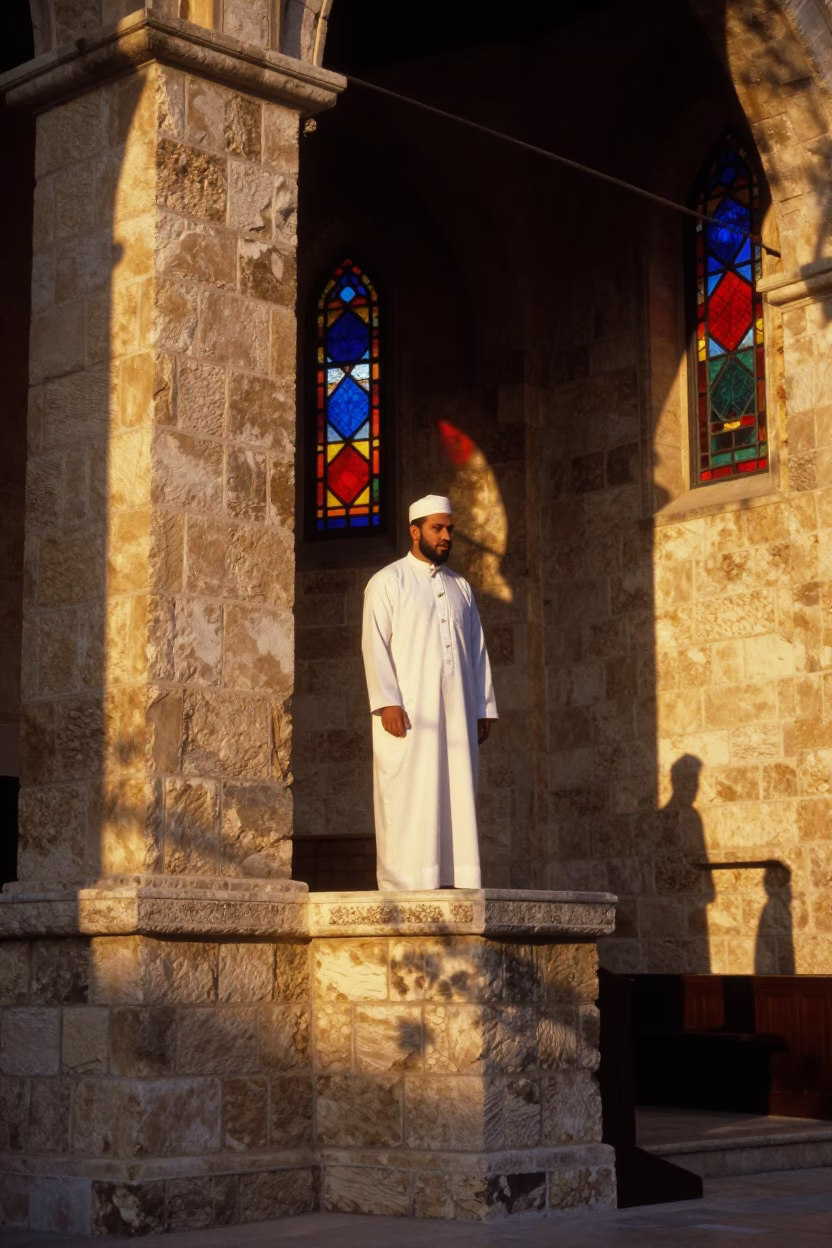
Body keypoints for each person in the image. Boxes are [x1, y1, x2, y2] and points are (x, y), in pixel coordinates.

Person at [361, 495, 498, 891]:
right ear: (415, 531)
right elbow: (374, 645)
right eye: (438, 528)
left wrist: (482, 706)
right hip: (407, 714)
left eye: (450, 529)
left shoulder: (461, 587)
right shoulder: (388, 581)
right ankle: (404, 881)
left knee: (455, 787)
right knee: (408, 791)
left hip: (457, 713)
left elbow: (477, 650)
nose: (446, 536)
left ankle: (455, 876)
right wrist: (387, 700)